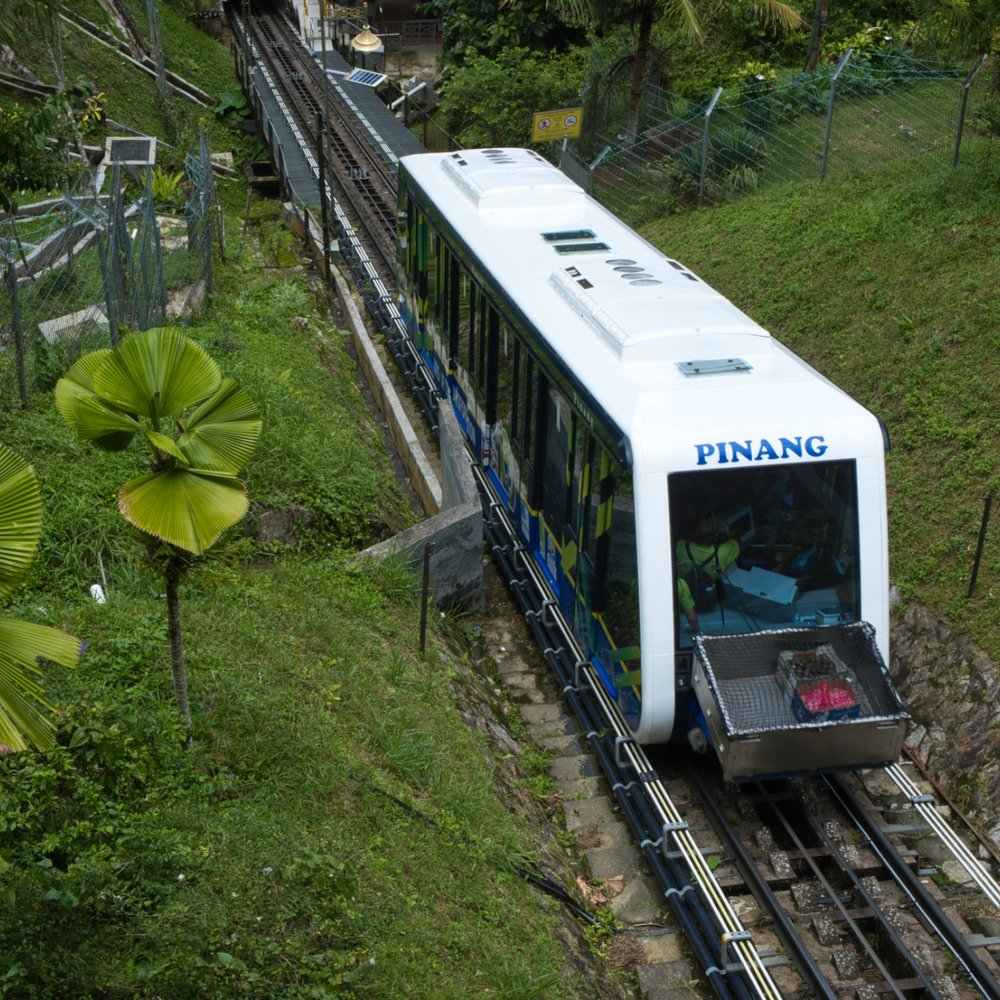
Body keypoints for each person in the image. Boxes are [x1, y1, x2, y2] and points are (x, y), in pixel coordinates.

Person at [675, 515, 741, 630]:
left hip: (682, 605)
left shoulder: (681, 545)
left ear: (695, 532)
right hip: (708, 605)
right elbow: (736, 541)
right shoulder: (725, 551)